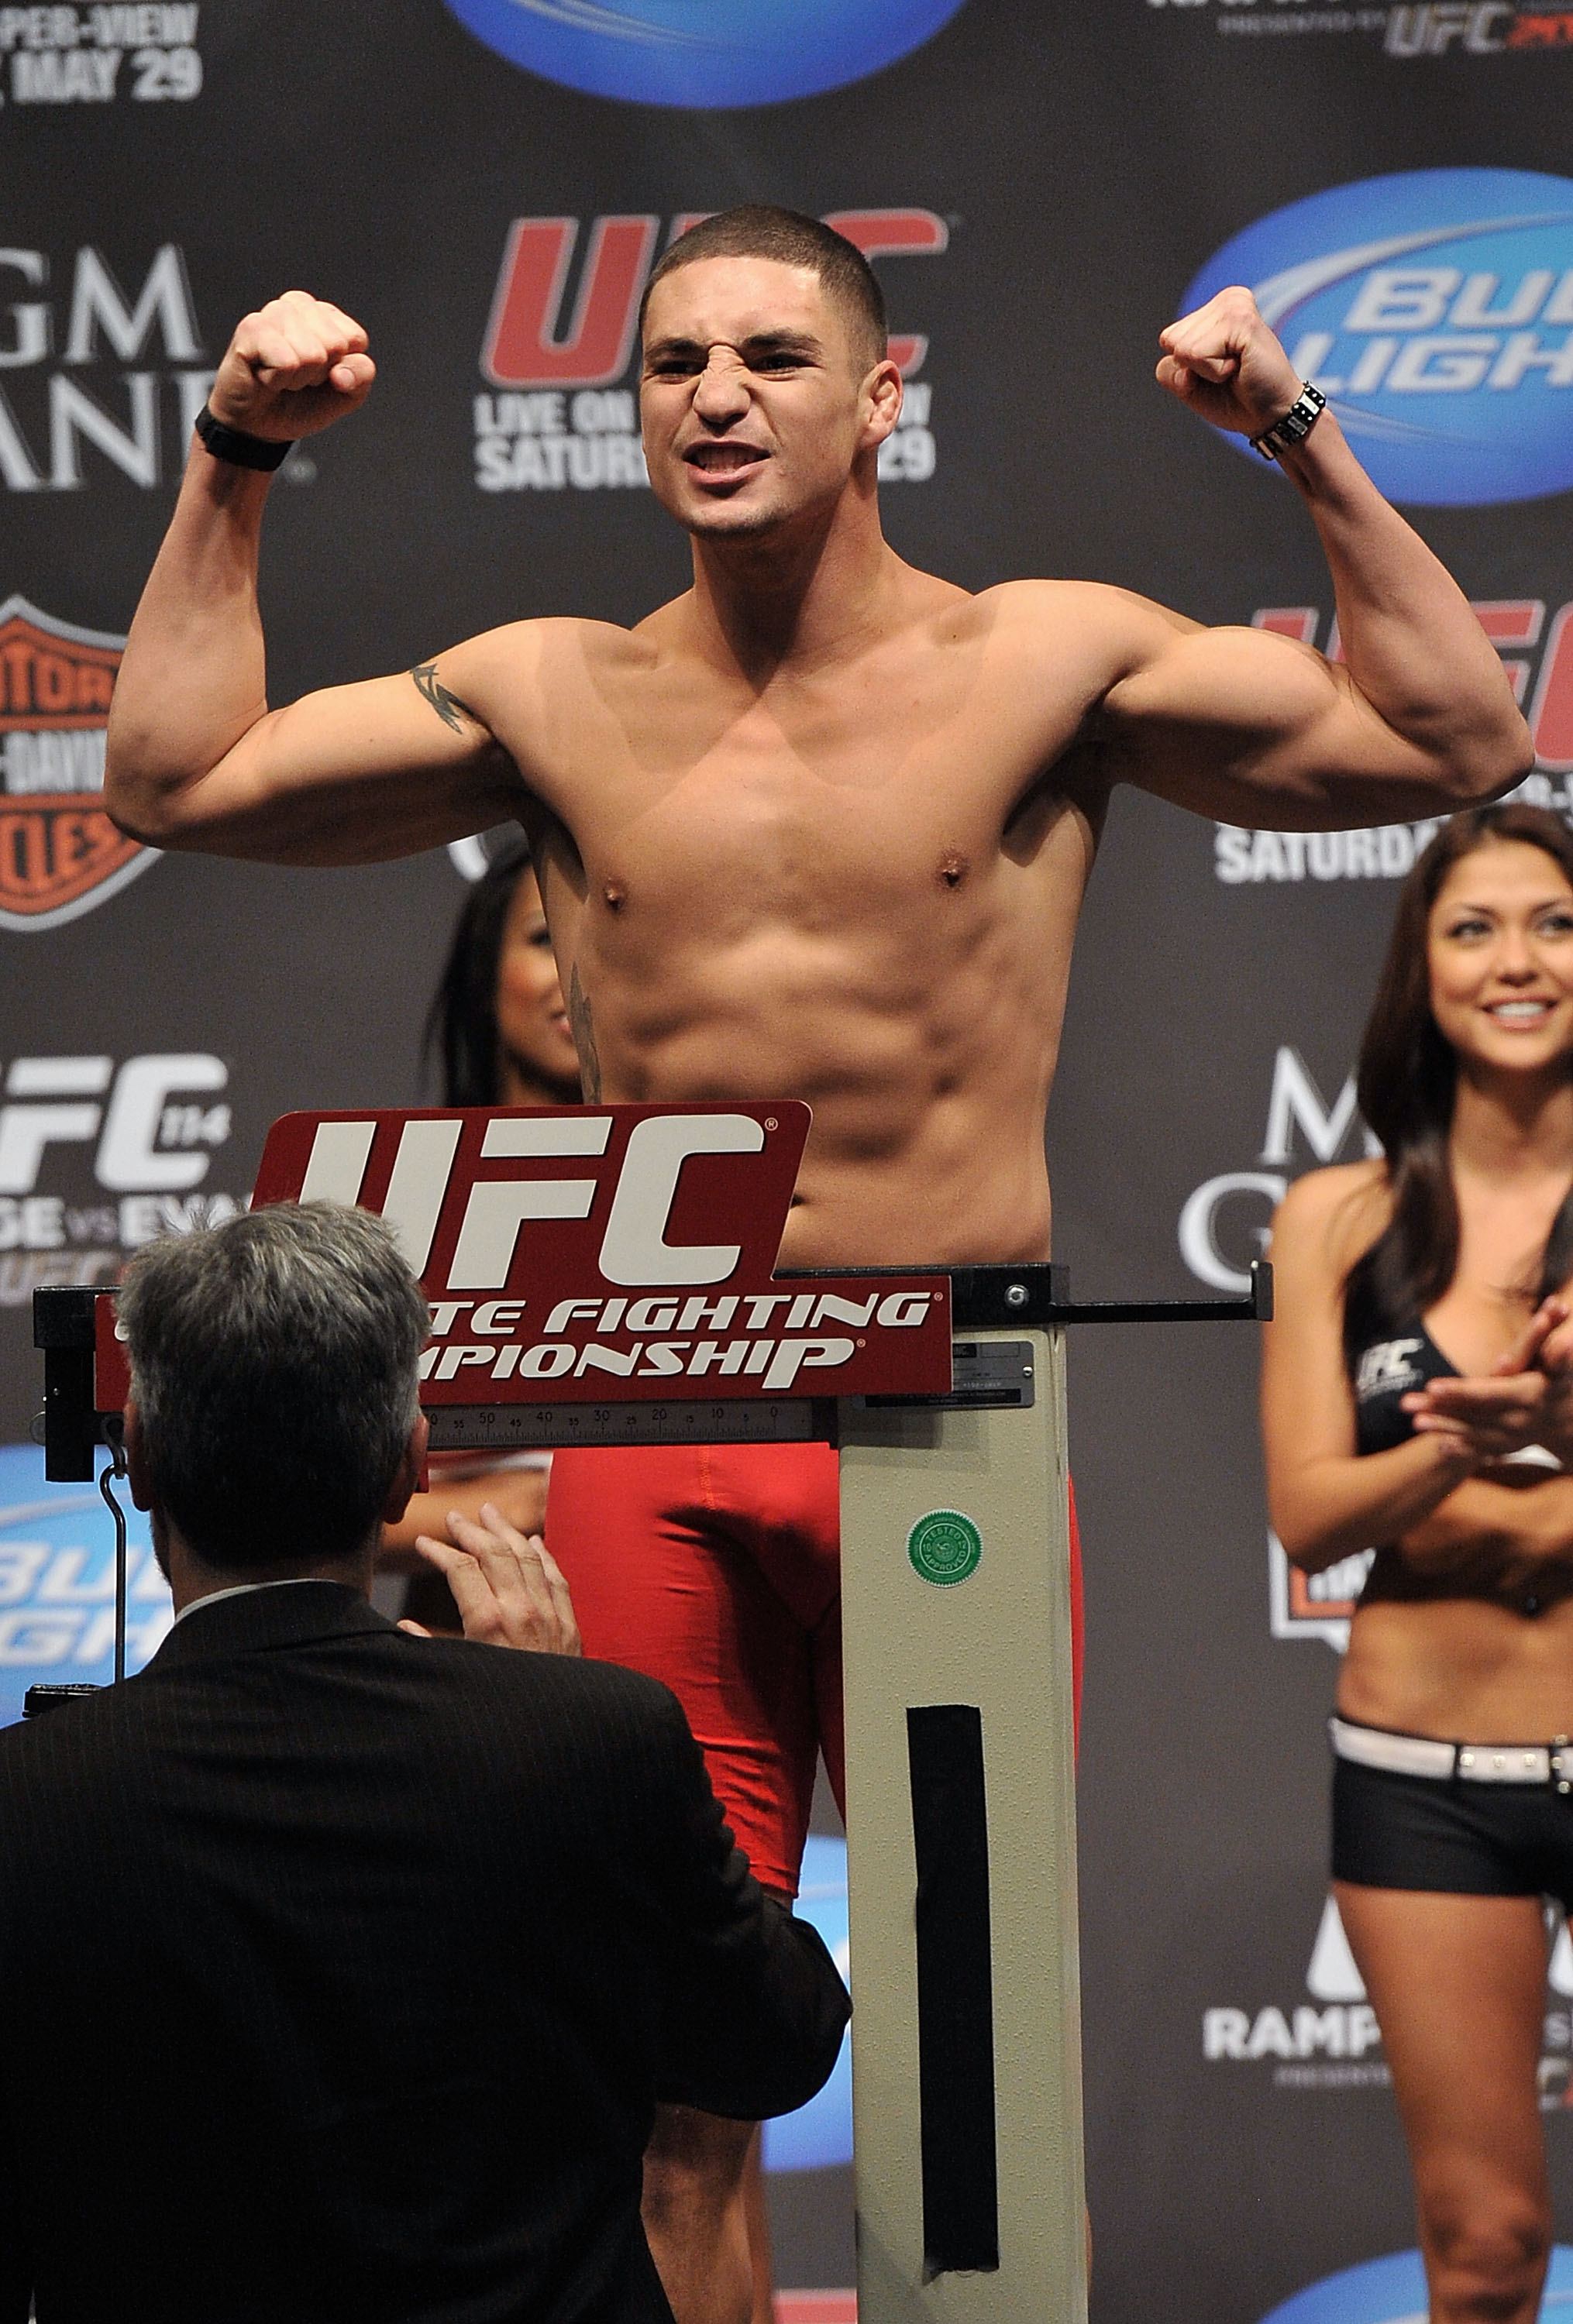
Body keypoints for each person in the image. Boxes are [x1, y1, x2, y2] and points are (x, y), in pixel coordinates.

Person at [102, 206, 1532, 2324]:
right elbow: (171, 774)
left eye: (772, 358)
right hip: (658, 1416)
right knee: (677, 2050)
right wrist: (230, 453)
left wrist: (1296, 431)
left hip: (938, 1408)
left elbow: (1449, 743)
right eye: (674, 364)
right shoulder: (549, 690)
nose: (715, 398)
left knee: (974, 2046)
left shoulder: (1043, 660)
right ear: (630, 413)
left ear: (880, 398)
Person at [0, 1202, 849, 2324]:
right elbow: (774, 2045)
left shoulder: (28, 1798)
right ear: (411, 1464)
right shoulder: (590, 1741)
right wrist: (556, 1710)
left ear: (142, 1457)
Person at [1264, 803, 1573, 2324]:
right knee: (1485, 2247)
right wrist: (1465, 1445)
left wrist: (1561, 1437)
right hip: (1422, 1778)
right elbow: (1311, 1513)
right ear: (1423, 972)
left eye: (1554, 924)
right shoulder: (1336, 1217)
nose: (1517, 960)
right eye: (1474, 928)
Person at [381, 837, 583, 1606]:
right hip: (459, 1623)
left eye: (603, 947)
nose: (578, 971)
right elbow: (318, 1502)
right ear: (483, 971)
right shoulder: (395, 1203)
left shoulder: (730, 1198)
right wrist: (521, 1505)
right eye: (545, 940)